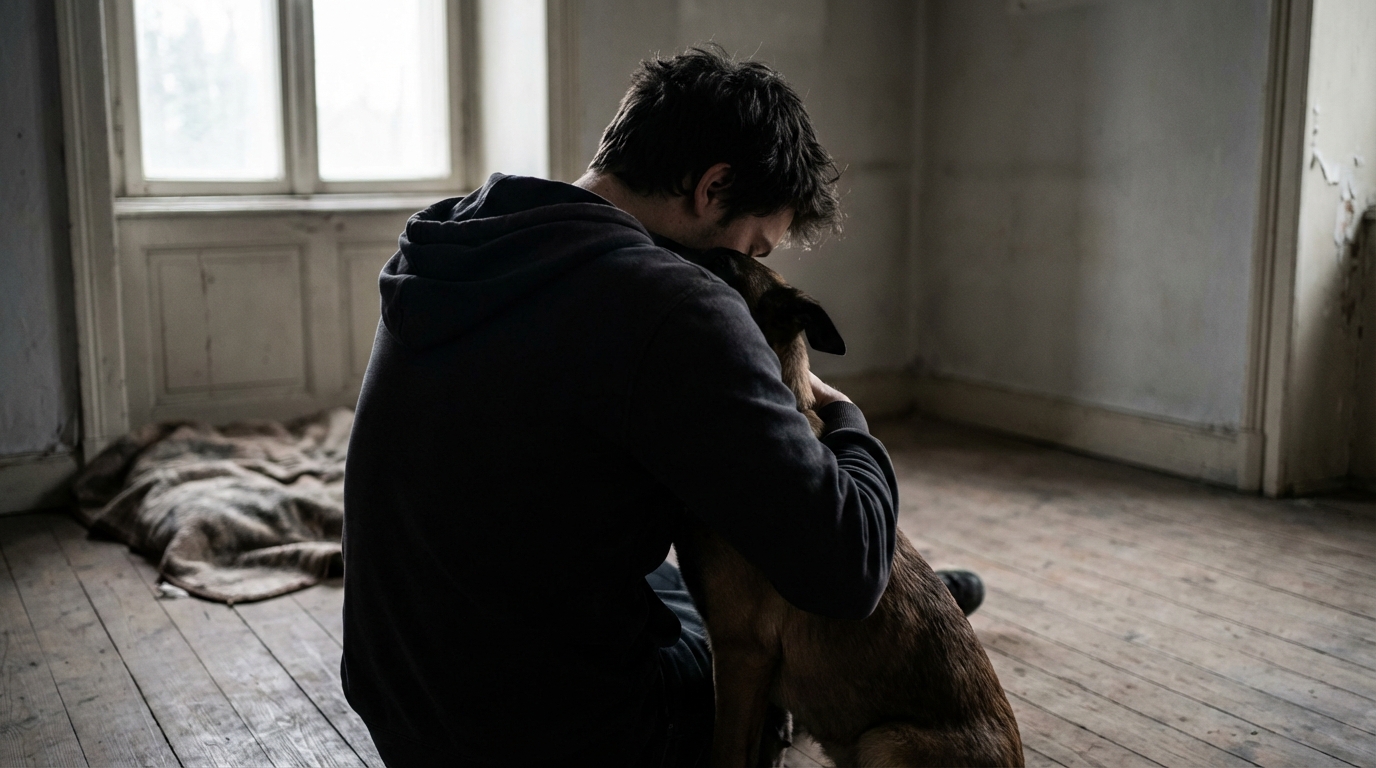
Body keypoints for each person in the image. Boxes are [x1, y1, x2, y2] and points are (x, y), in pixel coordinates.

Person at [341, 46, 982, 767]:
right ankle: (928, 614)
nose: (748, 265)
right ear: (712, 188)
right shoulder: (674, 305)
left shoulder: (449, 238)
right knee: (746, 640)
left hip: (401, 702)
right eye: (753, 244)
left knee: (676, 583)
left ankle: (938, 599)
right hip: (560, 738)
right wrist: (845, 418)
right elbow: (849, 574)